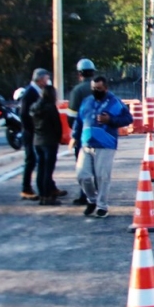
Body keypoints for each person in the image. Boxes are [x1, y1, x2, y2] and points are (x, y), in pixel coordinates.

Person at [70, 75, 133, 218]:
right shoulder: (87, 101)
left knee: (102, 176)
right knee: (82, 175)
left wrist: (110, 120)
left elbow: (128, 118)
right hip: (86, 143)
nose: (95, 91)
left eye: (98, 88)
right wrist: (74, 137)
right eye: (93, 88)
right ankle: (91, 200)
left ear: (105, 88)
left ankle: (102, 205)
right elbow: (79, 120)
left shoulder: (114, 102)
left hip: (105, 144)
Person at [67, 58, 95, 206]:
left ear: (79, 74)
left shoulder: (77, 91)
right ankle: (98, 194)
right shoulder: (100, 87)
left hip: (83, 134)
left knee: (83, 167)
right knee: (97, 166)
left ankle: (85, 195)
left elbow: (71, 116)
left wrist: (75, 134)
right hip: (100, 134)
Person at [19, 68, 50, 200]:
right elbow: (24, 115)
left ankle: (50, 186)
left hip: (37, 132)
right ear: (40, 79)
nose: (47, 82)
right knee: (31, 160)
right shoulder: (30, 93)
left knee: (43, 160)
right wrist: (33, 129)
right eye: (46, 79)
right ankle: (26, 188)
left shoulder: (38, 91)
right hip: (31, 132)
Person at [30, 84, 64, 205]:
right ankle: (47, 196)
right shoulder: (50, 108)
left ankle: (42, 194)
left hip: (37, 140)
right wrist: (59, 137)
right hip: (49, 141)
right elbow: (57, 125)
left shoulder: (34, 107)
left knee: (41, 168)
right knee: (48, 170)